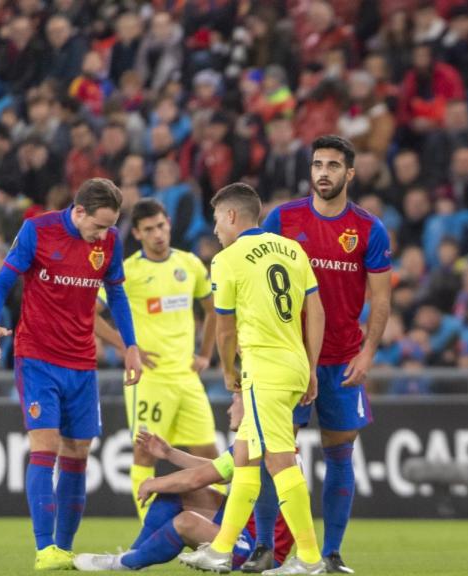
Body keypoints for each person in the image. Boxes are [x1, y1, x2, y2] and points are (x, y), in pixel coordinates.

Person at [0, 178, 143, 570]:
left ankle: (64, 548)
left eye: (109, 228)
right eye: (98, 226)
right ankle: (43, 548)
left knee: (79, 454)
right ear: (79, 210)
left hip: (82, 362)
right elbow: (3, 281)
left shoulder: (110, 241)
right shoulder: (38, 229)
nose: (102, 235)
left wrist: (131, 346)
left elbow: (117, 294)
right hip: (37, 357)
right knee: (45, 446)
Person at [259, 135, 392, 573]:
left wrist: (369, 352)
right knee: (274, 456)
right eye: (318, 164)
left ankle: (330, 553)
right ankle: (265, 549)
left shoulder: (369, 229)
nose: (324, 173)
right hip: (288, 360)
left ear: (349, 173)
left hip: (341, 360)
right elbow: (257, 282)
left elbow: (381, 296)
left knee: (340, 455)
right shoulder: (282, 218)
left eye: (334, 166)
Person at [178, 183, 327, 575]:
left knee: (280, 462)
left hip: (264, 369)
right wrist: (311, 366)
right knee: (245, 457)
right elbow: (316, 309)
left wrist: (229, 372)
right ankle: (221, 549)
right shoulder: (293, 249)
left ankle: (311, 559)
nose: (214, 231)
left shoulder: (228, 260)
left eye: (215, 221)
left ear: (231, 216)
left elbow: (224, 330)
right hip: (294, 362)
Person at [93, 198, 220, 520]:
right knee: (143, 453)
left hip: (186, 378)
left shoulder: (190, 264)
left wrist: (205, 354)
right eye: (149, 229)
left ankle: (220, 534)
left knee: (210, 455)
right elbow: (90, 314)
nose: (158, 234)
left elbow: (212, 309)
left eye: (161, 226)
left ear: (169, 224)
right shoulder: (130, 271)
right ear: (137, 233)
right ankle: (148, 532)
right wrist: (126, 347)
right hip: (149, 379)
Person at [73, 394, 260, 571]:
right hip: (244, 526)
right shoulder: (254, 436)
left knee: (186, 522)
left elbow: (197, 479)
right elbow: (219, 470)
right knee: (175, 492)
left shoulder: (257, 441)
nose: (229, 410)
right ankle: (135, 553)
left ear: (249, 405)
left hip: (254, 549)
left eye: (235, 401)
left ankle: (124, 562)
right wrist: (171, 454)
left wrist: (154, 483)